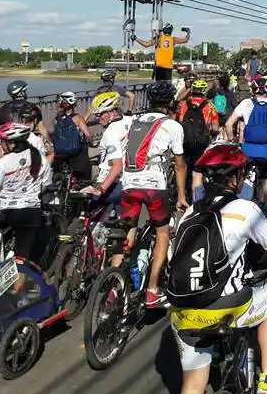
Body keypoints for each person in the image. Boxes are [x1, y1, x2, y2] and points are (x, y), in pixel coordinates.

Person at [166, 143, 267, 394]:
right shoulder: (245, 209)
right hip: (224, 305)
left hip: (183, 311)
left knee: (192, 386)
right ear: (234, 177)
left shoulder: (191, 212)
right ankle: (266, 383)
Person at [119, 80, 187, 307]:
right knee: (163, 234)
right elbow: (179, 165)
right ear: (170, 102)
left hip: (128, 181)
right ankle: (152, 290)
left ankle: (115, 280)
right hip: (153, 184)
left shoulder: (134, 121)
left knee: (129, 228)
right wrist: (181, 197)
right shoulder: (173, 126)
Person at [0, 122, 52, 288]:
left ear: (12, 143)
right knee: (23, 255)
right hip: (30, 211)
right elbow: (46, 183)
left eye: (3, 142)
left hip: (4, 211)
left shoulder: (3, 163)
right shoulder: (40, 158)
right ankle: (16, 290)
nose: (1, 145)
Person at [224, 77, 267, 206]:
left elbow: (228, 124)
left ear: (253, 90)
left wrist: (232, 140)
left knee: (238, 181)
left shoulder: (246, 103)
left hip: (247, 150)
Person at [82, 91, 130, 207]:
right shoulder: (130, 120)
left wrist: (100, 189)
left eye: (100, 114)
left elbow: (117, 165)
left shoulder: (111, 132)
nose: (98, 118)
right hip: (127, 181)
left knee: (88, 210)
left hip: (110, 181)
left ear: (113, 111)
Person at [176, 79, 219, 201]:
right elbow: (215, 128)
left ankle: (180, 192)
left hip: (184, 141)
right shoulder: (210, 107)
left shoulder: (183, 105)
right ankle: (196, 197)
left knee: (182, 166)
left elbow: (179, 122)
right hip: (201, 143)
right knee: (198, 169)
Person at [0, 80, 54, 159]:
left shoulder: (3, 109)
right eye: (25, 91)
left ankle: (0, 163)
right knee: (50, 153)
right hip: (26, 139)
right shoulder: (31, 107)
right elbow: (41, 128)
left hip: (8, 141)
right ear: (21, 93)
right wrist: (49, 142)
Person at [51, 91, 93, 181]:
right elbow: (87, 135)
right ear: (74, 103)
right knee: (84, 155)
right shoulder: (77, 118)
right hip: (74, 151)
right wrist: (91, 142)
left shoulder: (57, 118)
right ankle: (83, 181)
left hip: (59, 151)